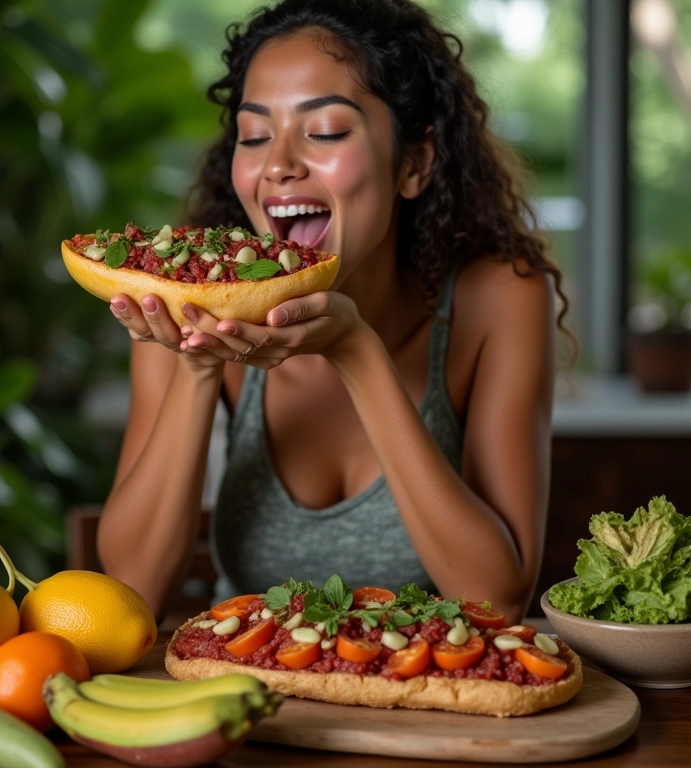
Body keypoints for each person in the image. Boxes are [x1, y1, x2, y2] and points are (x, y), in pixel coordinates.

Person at [96, 0, 572, 626]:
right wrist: (197, 364)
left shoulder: (501, 297)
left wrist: (357, 352)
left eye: (325, 132)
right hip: (246, 692)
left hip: (431, 706)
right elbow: (129, 595)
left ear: (414, 163)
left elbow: (498, 601)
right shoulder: (181, 301)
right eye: (255, 135)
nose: (278, 165)